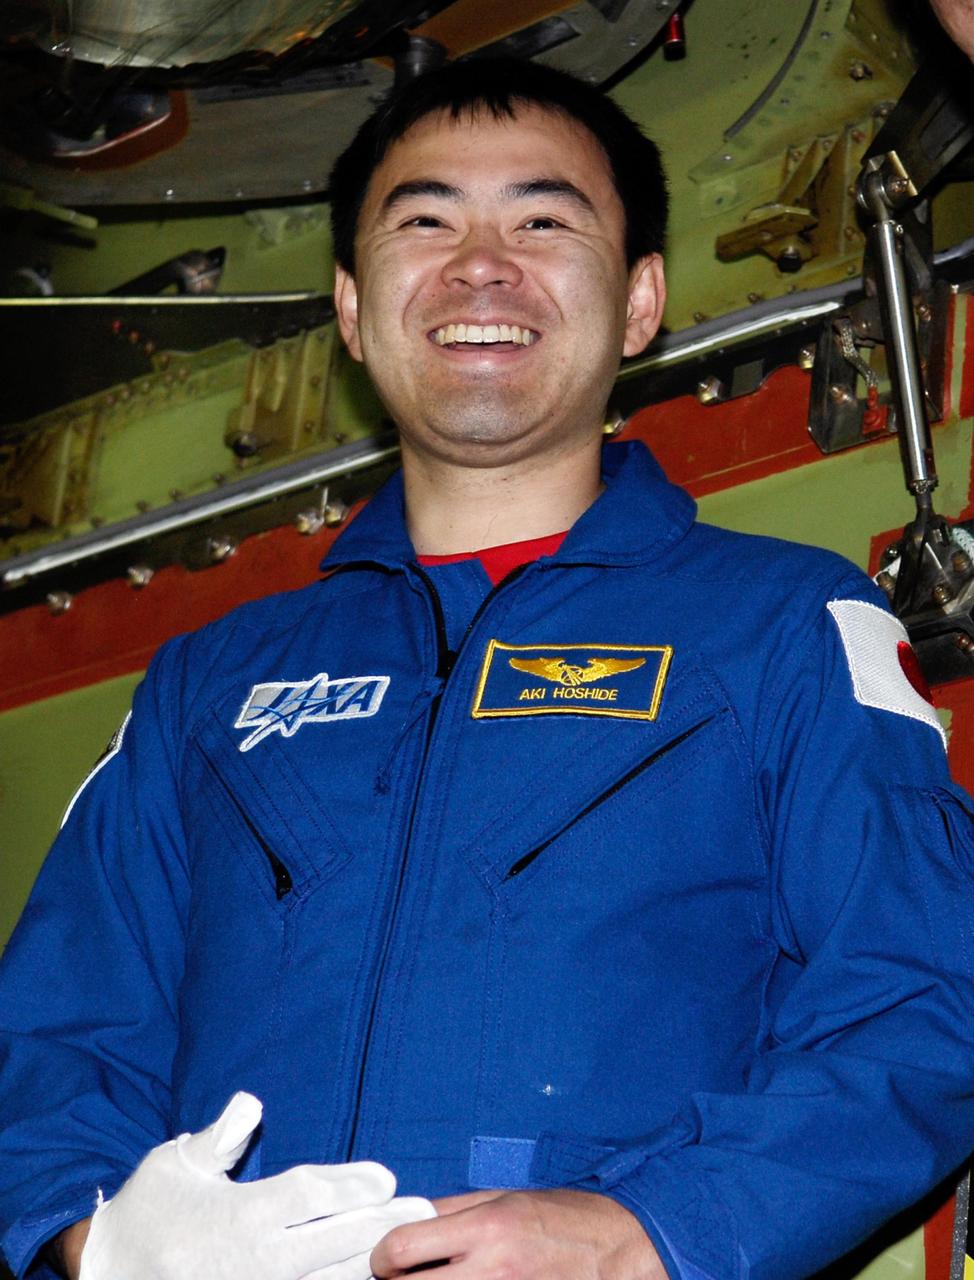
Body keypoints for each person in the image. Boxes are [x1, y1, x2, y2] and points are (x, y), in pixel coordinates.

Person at [2, 55, 974, 1280]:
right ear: (351, 307)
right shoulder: (208, 685)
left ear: (639, 300)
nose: (479, 264)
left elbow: (926, 990)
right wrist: (103, 1239)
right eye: (424, 221)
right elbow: (53, 1035)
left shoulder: (779, 625)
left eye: (542, 221)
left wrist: (647, 1232)